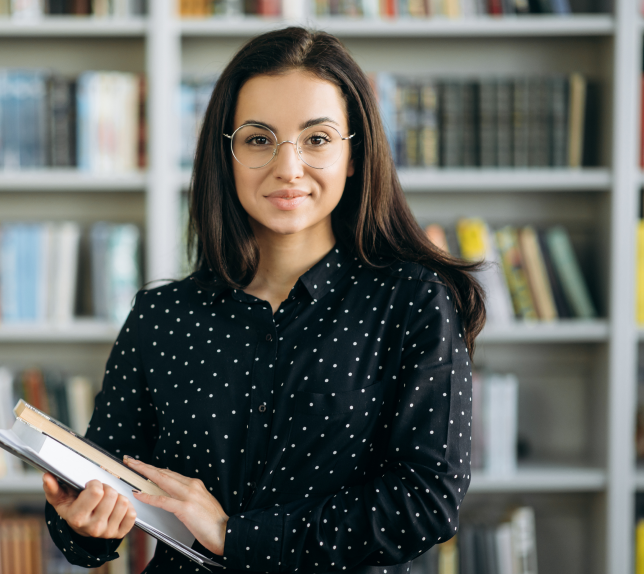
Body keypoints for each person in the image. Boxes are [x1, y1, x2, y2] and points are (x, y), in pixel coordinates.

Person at [42, 26, 486, 573]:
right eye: (258, 140)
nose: (288, 167)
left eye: (317, 139)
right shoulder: (161, 317)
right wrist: (81, 522)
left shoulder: (414, 302)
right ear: (226, 154)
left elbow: (426, 503)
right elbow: (101, 488)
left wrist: (235, 536)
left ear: (353, 154)